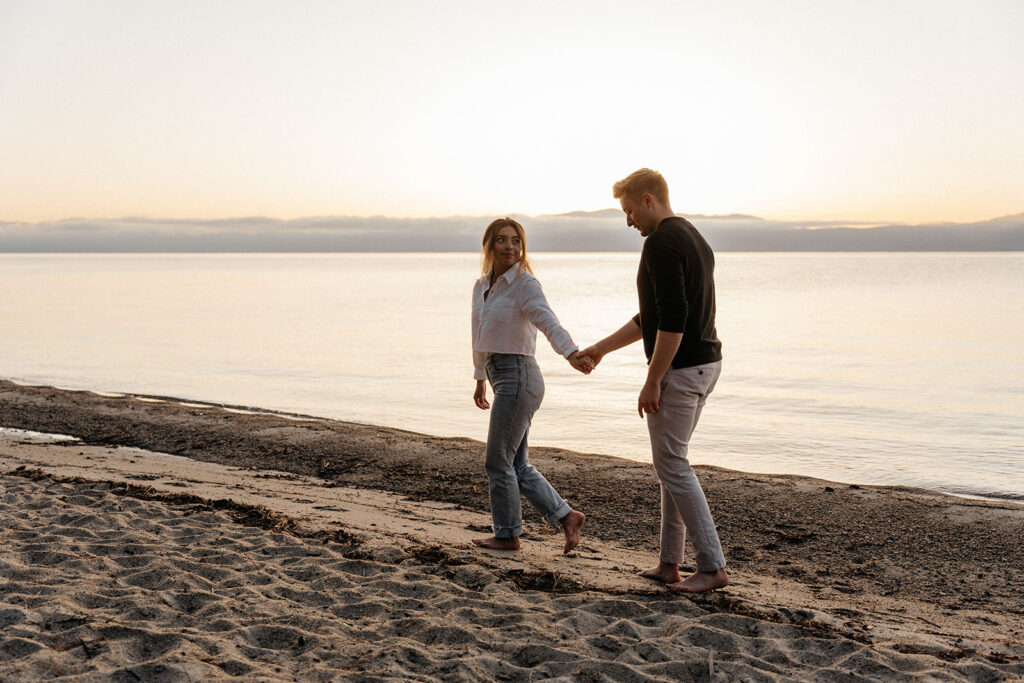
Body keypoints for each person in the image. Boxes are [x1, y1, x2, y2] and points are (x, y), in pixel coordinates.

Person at [581, 169, 729, 593]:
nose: (629, 222)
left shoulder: (661, 241)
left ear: (648, 200)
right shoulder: (693, 237)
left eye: (629, 211)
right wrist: (601, 348)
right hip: (706, 365)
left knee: (672, 465)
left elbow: (675, 320)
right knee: (671, 463)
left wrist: (653, 379)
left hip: (682, 370)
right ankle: (669, 563)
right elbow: (653, 317)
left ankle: (712, 566)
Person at [471, 217, 590, 554]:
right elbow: (478, 334)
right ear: (489, 245)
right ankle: (567, 517)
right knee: (516, 464)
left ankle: (508, 535)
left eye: (516, 241)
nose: (510, 247)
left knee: (497, 461)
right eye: (502, 240)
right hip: (500, 376)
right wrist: (480, 378)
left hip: (519, 375)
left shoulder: (525, 284)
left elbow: (547, 320)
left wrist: (571, 353)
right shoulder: (482, 286)